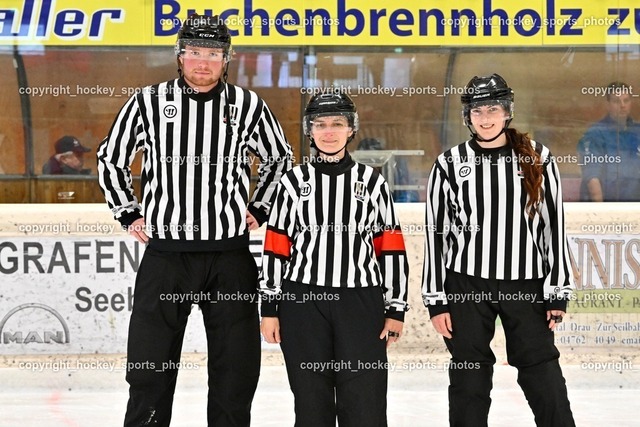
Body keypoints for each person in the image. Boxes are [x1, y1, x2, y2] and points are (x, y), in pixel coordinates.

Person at [97, 14, 292, 427]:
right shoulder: (148, 102)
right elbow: (111, 159)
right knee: (150, 363)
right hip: (167, 257)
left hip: (229, 257)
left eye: (213, 54)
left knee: (235, 366)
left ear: (227, 59)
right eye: (195, 52)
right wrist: (127, 211)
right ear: (180, 55)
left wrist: (260, 206)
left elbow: (279, 159)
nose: (203, 62)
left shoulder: (247, 105)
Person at [422, 74, 576, 427]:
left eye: (493, 109)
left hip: (527, 282)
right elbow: (436, 234)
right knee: (469, 375)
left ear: (507, 111)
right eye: (478, 111)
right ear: (468, 116)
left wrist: (557, 290)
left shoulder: (537, 157)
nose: (486, 118)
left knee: (541, 369)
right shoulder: (449, 164)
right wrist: (436, 300)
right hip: (466, 284)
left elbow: (554, 225)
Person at [259, 92, 409, 427]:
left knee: (365, 402)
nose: (329, 132)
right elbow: (276, 247)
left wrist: (396, 308)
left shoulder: (372, 182)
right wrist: (269, 308)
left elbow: (390, 248)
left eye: (337, 124)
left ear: (351, 129)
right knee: (311, 402)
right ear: (309, 130)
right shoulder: (292, 182)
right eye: (320, 124)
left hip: (360, 302)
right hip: (302, 302)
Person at [577, 81, 640, 201]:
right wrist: (602, 211)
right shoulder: (595, 133)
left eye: (626, 100)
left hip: (635, 207)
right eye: (616, 101)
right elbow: (592, 178)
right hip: (605, 207)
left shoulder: (637, 131)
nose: (622, 105)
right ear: (608, 104)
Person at [356, 137, 420, 202]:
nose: (369, 170)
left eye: (373, 165)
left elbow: (410, 196)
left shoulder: (394, 175)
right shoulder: (355, 176)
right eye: (365, 164)